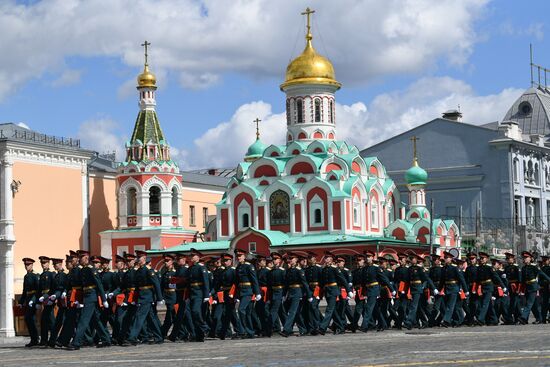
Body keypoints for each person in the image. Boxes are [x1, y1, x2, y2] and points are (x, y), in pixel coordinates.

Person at [67, 250, 111, 350]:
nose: (79, 259)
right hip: (86, 296)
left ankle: (76, 343)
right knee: (96, 321)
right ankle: (106, 340)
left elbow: (99, 284)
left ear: (86, 258)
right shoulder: (83, 270)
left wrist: (104, 299)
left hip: (91, 297)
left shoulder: (91, 270)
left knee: (83, 320)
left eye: (81, 257)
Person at [124, 250, 164, 345]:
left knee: (139, 317)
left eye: (139, 258)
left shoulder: (148, 270)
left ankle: (132, 338)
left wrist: (159, 298)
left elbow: (156, 284)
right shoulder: (139, 271)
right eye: (137, 258)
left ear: (144, 259)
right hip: (142, 297)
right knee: (151, 318)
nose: (138, 259)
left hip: (147, 297)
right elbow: (137, 287)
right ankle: (159, 337)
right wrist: (134, 298)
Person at [316, 251, 350, 335]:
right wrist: (318, 293)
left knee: (329, 310)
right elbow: (322, 283)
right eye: (325, 258)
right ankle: (341, 327)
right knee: (333, 311)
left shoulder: (335, 269)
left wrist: (348, 291)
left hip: (334, 291)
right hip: (327, 291)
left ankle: (322, 328)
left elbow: (343, 280)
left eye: (327, 258)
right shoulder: (324, 269)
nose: (326, 259)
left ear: (331, 259)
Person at [360, 251, 394, 332]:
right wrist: (363, 292)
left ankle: (364, 326)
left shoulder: (376, 268)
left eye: (369, 256)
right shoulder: (365, 268)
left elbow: (384, 279)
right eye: (366, 257)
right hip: (368, 290)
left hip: (374, 290)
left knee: (368, 307)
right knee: (375, 309)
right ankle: (383, 324)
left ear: (372, 257)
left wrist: (392, 289)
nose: (367, 258)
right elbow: (364, 281)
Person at [280, 252, 312, 337]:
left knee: (292, 311)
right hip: (291, 293)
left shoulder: (299, 270)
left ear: (296, 260)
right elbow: (287, 284)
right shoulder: (289, 270)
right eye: (289, 259)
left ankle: (286, 330)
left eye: (292, 259)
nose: (290, 260)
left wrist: (309, 295)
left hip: (298, 293)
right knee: (296, 312)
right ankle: (303, 329)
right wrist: (284, 294)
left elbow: (304, 283)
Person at [403, 253, 436, 330]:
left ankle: (408, 321)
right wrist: (405, 290)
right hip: (412, 289)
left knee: (413, 306)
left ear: (416, 260)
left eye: (413, 258)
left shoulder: (419, 269)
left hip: (418, 289)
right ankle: (424, 322)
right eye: (411, 259)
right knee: (418, 307)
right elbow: (407, 281)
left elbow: (426, 279)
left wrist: (424, 286)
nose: (412, 260)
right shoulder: (409, 269)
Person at [235, 248, 260, 339]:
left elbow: (254, 280)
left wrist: (257, 293)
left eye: (240, 256)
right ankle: (250, 332)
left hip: (248, 291)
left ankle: (243, 331)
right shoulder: (238, 267)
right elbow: (237, 282)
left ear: (244, 256)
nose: (238, 258)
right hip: (241, 291)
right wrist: (237, 295)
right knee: (248, 313)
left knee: (241, 310)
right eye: (237, 256)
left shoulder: (249, 266)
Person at [519, 251, 550, 324]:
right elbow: (523, 280)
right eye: (524, 258)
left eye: (526, 258)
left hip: (533, 287)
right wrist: (521, 289)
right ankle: (539, 318)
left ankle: (523, 318)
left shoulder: (534, 266)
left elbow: (542, 274)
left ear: (530, 258)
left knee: (529, 303)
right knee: (533, 305)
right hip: (527, 287)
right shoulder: (523, 268)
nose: (525, 259)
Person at [475, 252, 505, 326]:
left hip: (489, 287)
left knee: (485, 304)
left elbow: (496, 277)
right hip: (482, 287)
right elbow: (478, 279)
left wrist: (503, 286)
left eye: (483, 258)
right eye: (480, 258)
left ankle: (480, 319)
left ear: (486, 259)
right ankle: (494, 320)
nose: (481, 260)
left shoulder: (489, 268)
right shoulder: (479, 268)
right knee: (489, 305)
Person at [439, 252, 468, 328]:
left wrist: (465, 290)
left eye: (446, 257)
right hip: (447, 289)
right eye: (444, 257)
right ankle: (458, 320)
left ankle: (446, 321)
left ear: (451, 259)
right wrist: (439, 290)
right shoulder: (444, 269)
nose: (445, 259)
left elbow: (461, 279)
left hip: (454, 288)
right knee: (454, 306)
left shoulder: (454, 268)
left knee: (450, 306)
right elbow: (442, 281)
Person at [188, 248, 211, 342]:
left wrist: (206, 295)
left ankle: (205, 327)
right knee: (193, 315)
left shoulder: (201, 268)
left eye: (193, 256)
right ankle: (199, 335)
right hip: (192, 293)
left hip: (199, 293)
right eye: (191, 256)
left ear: (198, 257)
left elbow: (206, 282)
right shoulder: (190, 268)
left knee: (196, 311)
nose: (191, 257)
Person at [18, 258, 40, 347]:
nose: (26, 267)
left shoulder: (35, 276)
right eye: (25, 265)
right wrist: (21, 301)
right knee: (29, 319)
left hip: (33, 300)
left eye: (28, 265)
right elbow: (25, 291)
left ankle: (35, 339)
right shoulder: (26, 276)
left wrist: (35, 301)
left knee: (30, 318)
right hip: (28, 299)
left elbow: (38, 290)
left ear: (32, 265)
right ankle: (34, 339)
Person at [49, 258, 68, 347]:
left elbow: (66, 286)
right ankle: (52, 340)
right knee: (58, 321)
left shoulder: (64, 275)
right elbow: (54, 289)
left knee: (64, 321)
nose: (54, 266)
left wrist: (64, 292)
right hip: (59, 301)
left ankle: (61, 340)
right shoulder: (56, 276)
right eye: (54, 264)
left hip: (64, 301)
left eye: (56, 264)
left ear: (60, 264)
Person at [37, 256, 55, 346]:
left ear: (48, 263)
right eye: (42, 263)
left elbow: (53, 287)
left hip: (50, 298)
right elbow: (40, 289)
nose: (43, 265)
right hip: (44, 299)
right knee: (44, 320)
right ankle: (44, 340)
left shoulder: (52, 274)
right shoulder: (42, 275)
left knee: (50, 319)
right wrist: (38, 302)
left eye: (44, 263)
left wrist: (51, 298)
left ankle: (53, 339)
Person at [267, 252, 286, 333]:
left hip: (280, 292)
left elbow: (285, 283)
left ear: (279, 260)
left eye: (275, 259)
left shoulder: (282, 271)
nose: (273, 261)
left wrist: (284, 294)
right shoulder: (271, 271)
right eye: (273, 259)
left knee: (273, 310)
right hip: (273, 292)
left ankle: (269, 328)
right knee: (281, 312)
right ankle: (287, 327)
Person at [304, 252, 322, 334]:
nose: (310, 260)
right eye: (309, 259)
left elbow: (322, 281)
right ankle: (312, 327)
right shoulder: (307, 269)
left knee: (313, 307)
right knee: (310, 308)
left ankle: (317, 326)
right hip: (310, 290)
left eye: (312, 259)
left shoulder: (318, 268)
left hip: (317, 289)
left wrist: (320, 293)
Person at [160, 254, 177, 337]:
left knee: (171, 315)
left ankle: (165, 332)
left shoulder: (175, 273)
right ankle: (164, 332)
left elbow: (177, 285)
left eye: (167, 261)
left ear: (172, 262)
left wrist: (170, 286)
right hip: (167, 296)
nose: (165, 263)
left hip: (173, 295)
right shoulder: (165, 273)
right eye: (165, 261)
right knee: (170, 315)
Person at [503, 252, 521, 324]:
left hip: (515, 286)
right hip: (509, 286)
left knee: (513, 302)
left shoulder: (516, 267)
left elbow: (519, 279)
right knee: (514, 303)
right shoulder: (506, 267)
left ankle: (509, 317)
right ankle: (518, 317)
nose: (508, 260)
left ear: (513, 259)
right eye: (507, 259)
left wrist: (518, 288)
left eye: (509, 258)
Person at [393, 253, 410, 329]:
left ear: (405, 260)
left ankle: (405, 323)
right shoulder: (397, 269)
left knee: (403, 308)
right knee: (397, 308)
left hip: (405, 289)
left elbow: (408, 281)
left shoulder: (408, 269)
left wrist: (405, 290)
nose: (399, 261)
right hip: (398, 289)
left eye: (401, 259)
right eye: (399, 259)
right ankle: (399, 323)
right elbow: (395, 281)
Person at [540, 255, 550, 323]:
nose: (544, 262)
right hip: (545, 287)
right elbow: (540, 279)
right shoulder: (542, 269)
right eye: (543, 260)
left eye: (545, 260)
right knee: (544, 303)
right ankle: (543, 318)